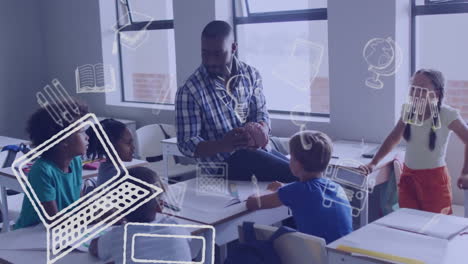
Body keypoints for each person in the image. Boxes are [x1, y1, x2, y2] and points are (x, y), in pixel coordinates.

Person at [175, 20, 294, 182]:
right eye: (205, 53)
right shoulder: (189, 91)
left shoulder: (251, 74)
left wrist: (263, 129)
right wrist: (224, 145)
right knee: (296, 176)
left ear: (233, 48)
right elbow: (186, 144)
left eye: (217, 54)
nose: (210, 61)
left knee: (301, 171)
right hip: (221, 167)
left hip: (257, 151)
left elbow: (261, 112)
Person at [361, 69, 468, 214]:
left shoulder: (447, 113)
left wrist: (465, 172)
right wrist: (374, 163)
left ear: (435, 93)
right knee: (409, 222)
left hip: (435, 180)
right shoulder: (408, 110)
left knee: (436, 225)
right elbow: (393, 138)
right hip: (409, 178)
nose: (415, 92)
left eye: (422, 89)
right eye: (413, 87)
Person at [246, 131, 353, 244]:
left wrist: (270, 190)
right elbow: (308, 193)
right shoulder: (337, 187)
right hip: (342, 255)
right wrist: (285, 188)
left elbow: (252, 203)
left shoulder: (296, 191)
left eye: (291, 157)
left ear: (297, 164)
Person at [89, 167, 192, 263]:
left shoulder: (117, 237)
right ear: (160, 206)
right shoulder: (175, 228)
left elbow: (94, 248)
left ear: (118, 209)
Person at [14, 101, 89, 229]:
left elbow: (80, 204)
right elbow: (54, 220)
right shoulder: (42, 170)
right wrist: (93, 217)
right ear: (63, 139)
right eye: (81, 132)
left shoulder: (75, 162)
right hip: (32, 233)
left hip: (64, 229)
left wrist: (98, 213)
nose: (87, 137)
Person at [86, 118, 135, 186]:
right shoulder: (118, 176)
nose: (133, 147)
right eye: (128, 143)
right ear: (111, 145)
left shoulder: (105, 167)